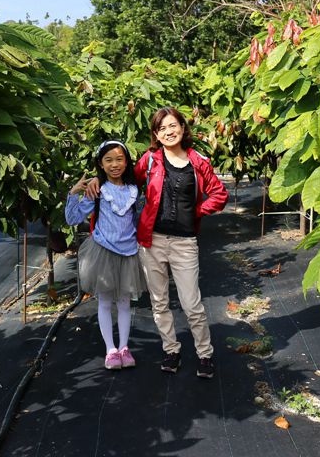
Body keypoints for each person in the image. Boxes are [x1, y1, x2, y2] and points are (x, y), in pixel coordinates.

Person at [88, 107, 229, 378]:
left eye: (172, 125)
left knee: (191, 303)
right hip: (151, 242)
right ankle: (171, 349)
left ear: (182, 128)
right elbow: (124, 178)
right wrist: (97, 177)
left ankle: (204, 354)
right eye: (162, 128)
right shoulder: (151, 160)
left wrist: (198, 210)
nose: (168, 131)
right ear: (156, 134)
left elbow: (219, 194)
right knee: (159, 302)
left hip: (184, 243)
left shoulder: (197, 162)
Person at [66, 140, 147, 370]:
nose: (114, 165)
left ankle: (124, 347)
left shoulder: (133, 191)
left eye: (119, 159)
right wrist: (74, 192)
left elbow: (138, 219)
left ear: (127, 162)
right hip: (104, 251)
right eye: (108, 160)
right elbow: (73, 219)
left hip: (129, 252)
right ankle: (110, 349)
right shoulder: (98, 190)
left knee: (124, 302)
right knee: (104, 300)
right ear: (100, 164)